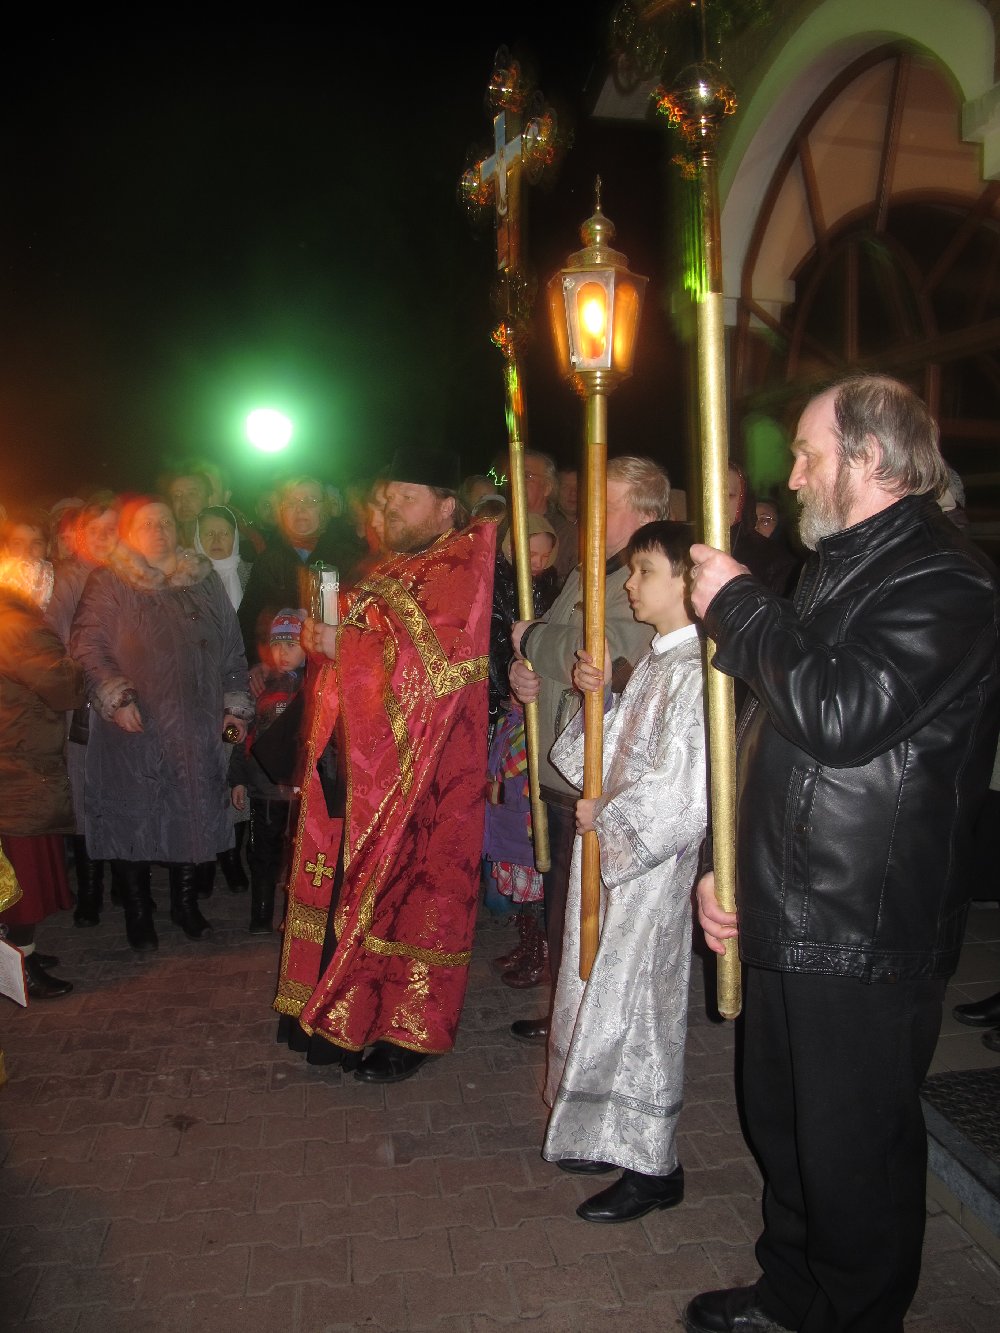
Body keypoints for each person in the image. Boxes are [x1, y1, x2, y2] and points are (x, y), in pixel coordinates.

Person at [685, 374, 1000, 1333]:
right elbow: (764, 730)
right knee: (785, 1129)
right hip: (787, 899)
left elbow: (842, 712)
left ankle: (856, 1315)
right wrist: (725, 864)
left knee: (853, 1155)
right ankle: (792, 1295)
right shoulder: (834, 567)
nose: (792, 474)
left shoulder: (947, 579)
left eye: (808, 454)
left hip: (866, 921)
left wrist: (739, 606)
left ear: (867, 458)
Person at [273, 446, 497, 1083]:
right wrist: (327, 639)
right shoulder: (400, 562)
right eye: (386, 497)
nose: (390, 507)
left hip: (425, 781)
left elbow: (434, 678)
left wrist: (347, 644)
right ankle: (335, 1015)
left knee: (411, 899)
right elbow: (371, 642)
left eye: (406, 496)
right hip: (364, 763)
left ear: (446, 506)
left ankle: (406, 1030)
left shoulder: (460, 566)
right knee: (351, 890)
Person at [541, 520, 706, 1223]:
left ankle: (654, 1165)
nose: (630, 585)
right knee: (604, 995)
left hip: (649, 875)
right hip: (615, 867)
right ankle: (603, 1128)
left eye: (644, 572)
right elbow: (615, 754)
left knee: (641, 1007)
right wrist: (599, 700)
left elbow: (685, 793)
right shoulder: (659, 661)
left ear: (687, 581)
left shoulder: (697, 672)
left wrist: (605, 817)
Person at [506, 454, 672, 1045]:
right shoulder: (589, 568)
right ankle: (568, 1013)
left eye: (606, 501)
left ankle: (594, 1030)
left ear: (645, 512)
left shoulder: (647, 576)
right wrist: (524, 674)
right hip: (561, 765)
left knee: (594, 910)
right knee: (563, 908)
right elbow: (557, 658)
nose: (588, 512)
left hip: (600, 775)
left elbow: (603, 654)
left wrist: (532, 639)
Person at [70, 495, 253, 951]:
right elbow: (89, 645)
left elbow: (232, 650)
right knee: (135, 816)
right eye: (147, 524)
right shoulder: (111, 581)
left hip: (196, 725)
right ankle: (138, 911)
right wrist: (116, 697)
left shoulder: (203, 580)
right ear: (130, 533)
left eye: (166, 522)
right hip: (137, 723)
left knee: (190, 810)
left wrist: (234, 707)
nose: (158, 531)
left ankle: (185, 905)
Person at [0, 554, 85, 998]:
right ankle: (20, 964)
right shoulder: (20, 626)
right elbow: (61, 685)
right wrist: (80, 664)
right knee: (22, 879)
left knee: (18, 871)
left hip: (16, 762)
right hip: (19, 768)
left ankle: (19, 953)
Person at [484, 514, 561, 982]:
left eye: (545, 553)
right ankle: (528, 938)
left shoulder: (559, 593)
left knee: (533, 846)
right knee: (513, 836)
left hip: (537, 723)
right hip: (509, 717)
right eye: (528, 552)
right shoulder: (495, 590)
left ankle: (542, 946)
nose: (537, 562)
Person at [230, 608, 307, 933]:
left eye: (291, 645)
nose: (282, 653)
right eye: (277, 645)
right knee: (262, 851)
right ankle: (261, 913)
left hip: (299, 788)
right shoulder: (260, 687)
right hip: (263, 786)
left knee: (298, 853)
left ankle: (295, 914)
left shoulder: (314, 685)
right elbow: (244, 737)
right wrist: (238, 779)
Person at [237, 473, 364, 665]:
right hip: (280, 668)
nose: (300, 509)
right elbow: (249, 618)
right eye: (292, 502)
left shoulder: (350, 556)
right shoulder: (269, 560)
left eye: (310, 501)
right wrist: (258, 662)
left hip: (333, 666)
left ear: (325, 508)